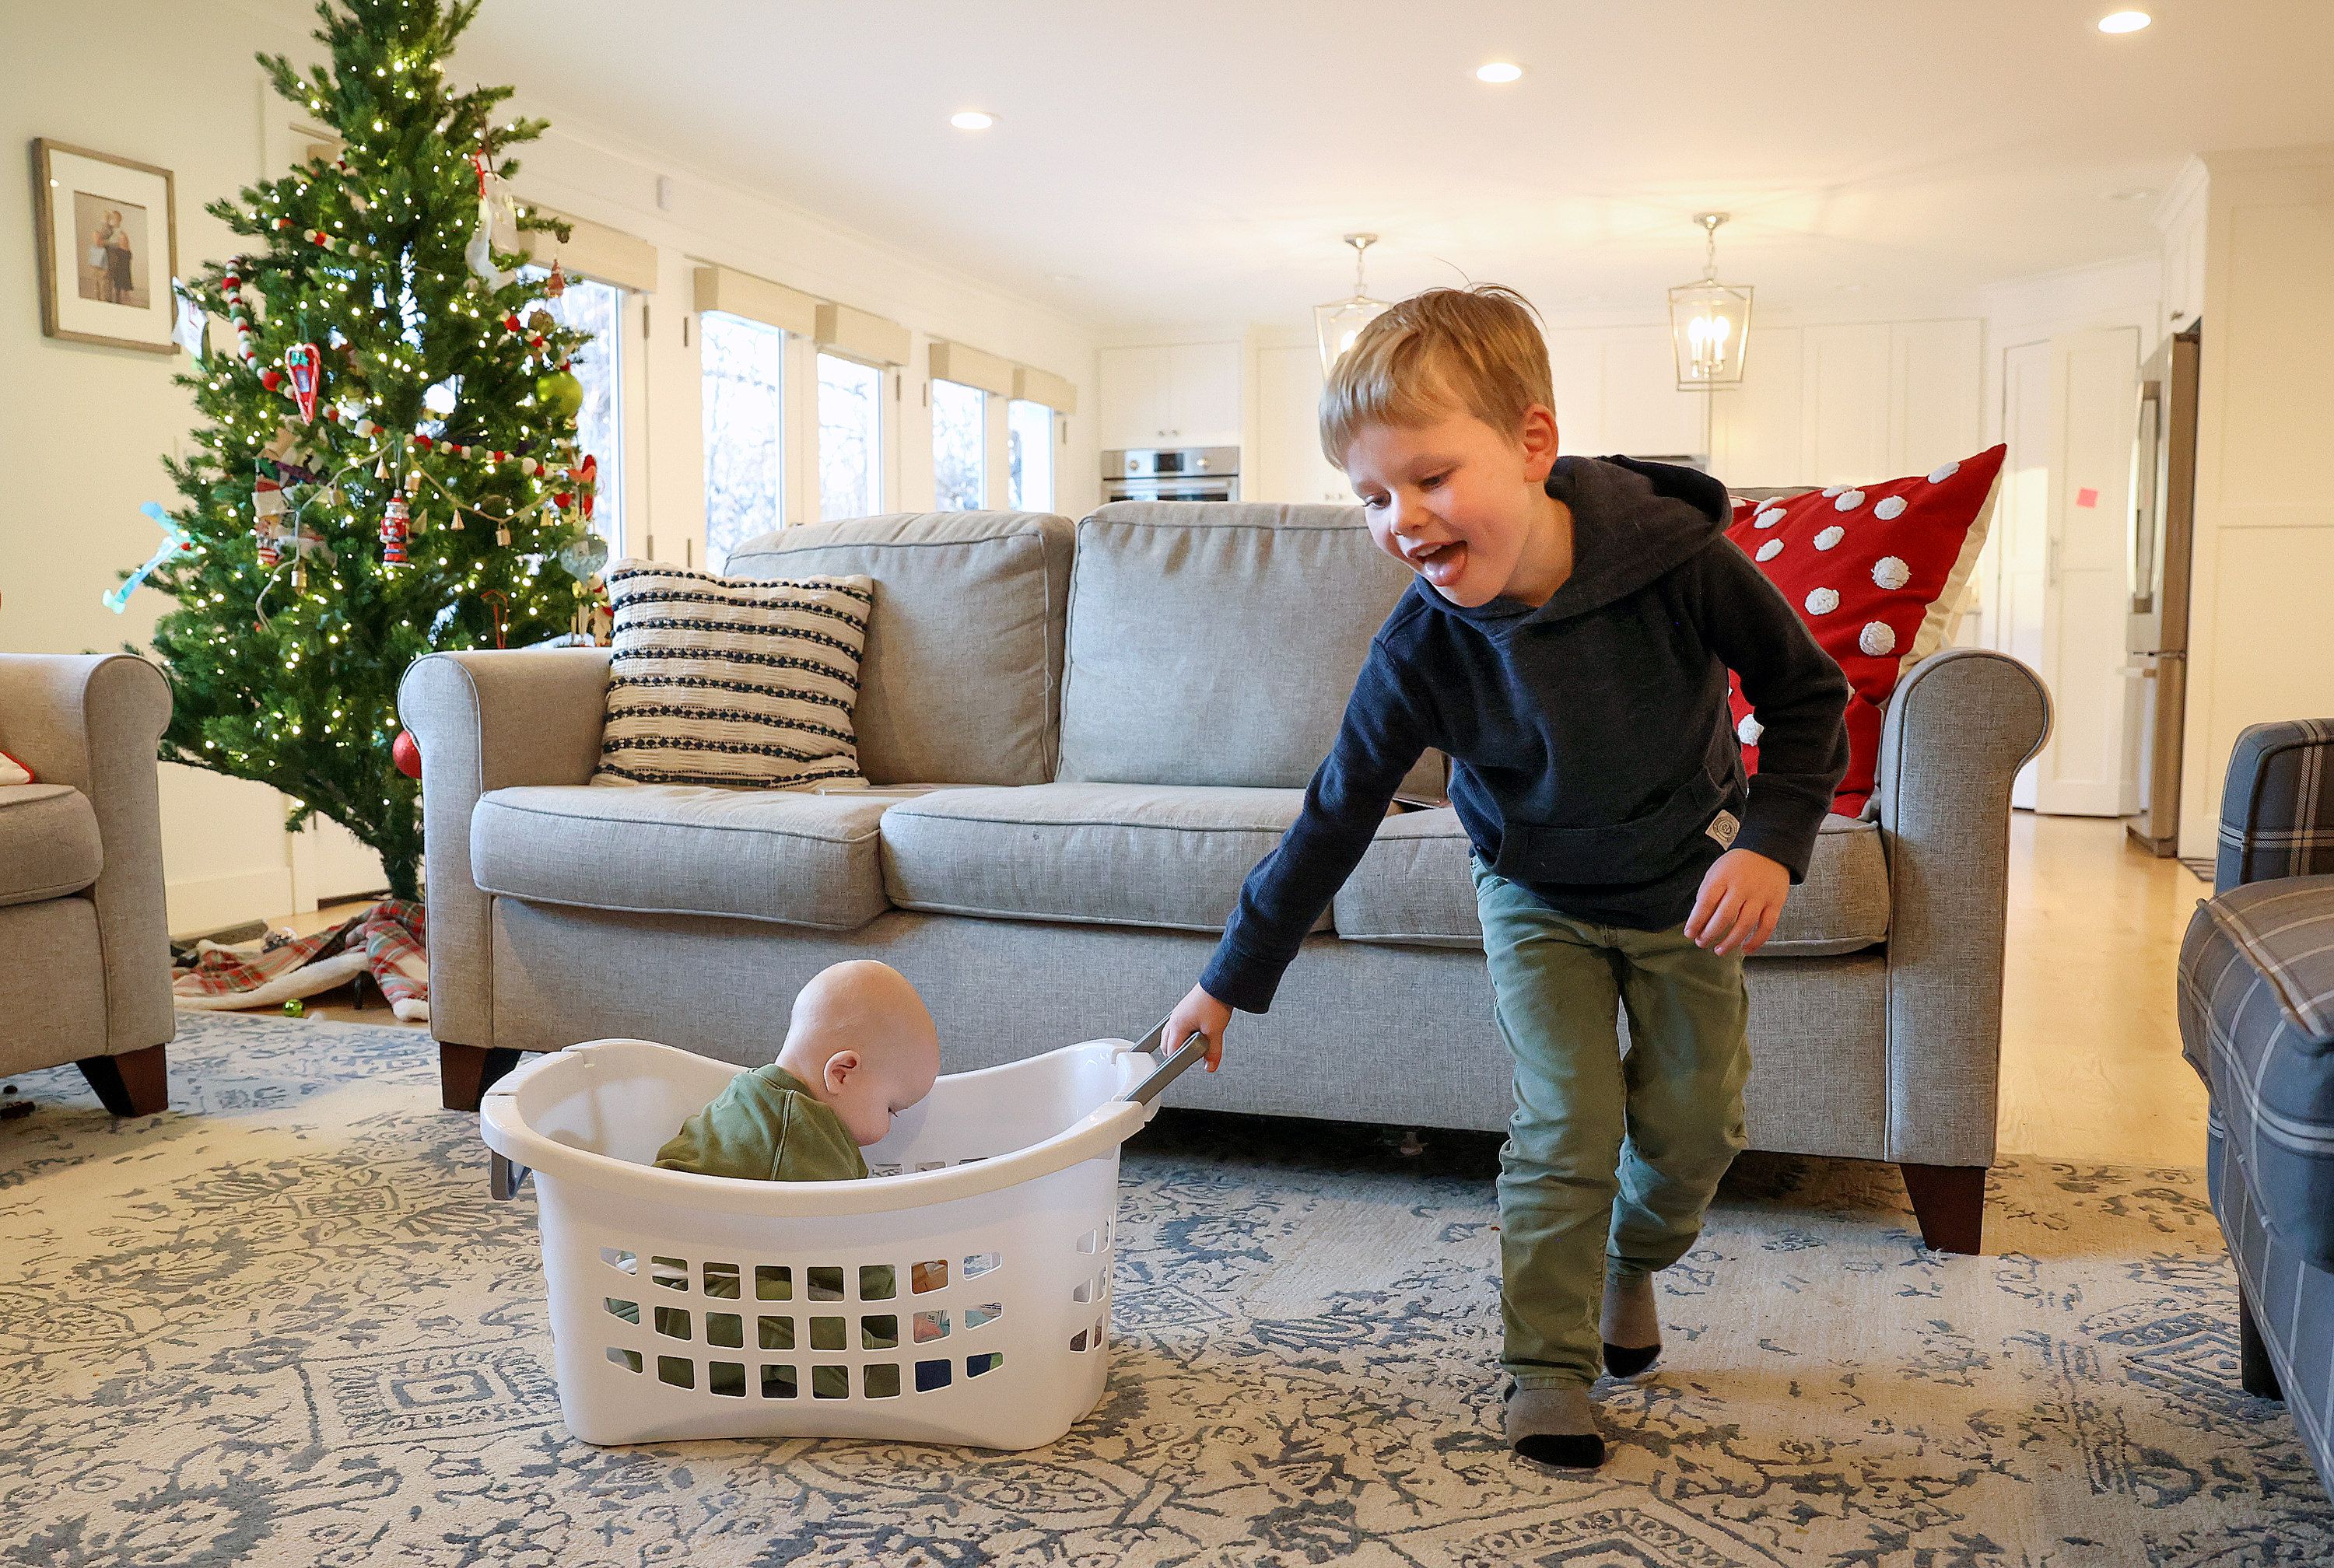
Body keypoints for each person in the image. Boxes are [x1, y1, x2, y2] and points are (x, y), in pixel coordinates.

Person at [1162, 285, 1850, 1471]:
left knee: (1695, 1129)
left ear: (1533, 446)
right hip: (1533, 895)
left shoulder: (1680, 560)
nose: (1403, 519)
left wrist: (1770, 842)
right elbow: (1336, 816)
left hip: (1684, 882)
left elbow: (1807, 698)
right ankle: (1546, 1367)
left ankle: (1633, 1263)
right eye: (1373, 497)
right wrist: (1229, 979)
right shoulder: (1418, 648)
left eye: (1429, 479)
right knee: (1565, 1124)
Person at [655, 960, 939, 1182]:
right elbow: (843, 1241)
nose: (890, 1128)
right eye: (890, 1109)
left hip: (652, 1242)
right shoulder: (803, 1137)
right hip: (680, 1255)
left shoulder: (749, 1094)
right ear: (842, 1073)